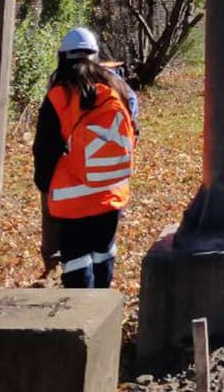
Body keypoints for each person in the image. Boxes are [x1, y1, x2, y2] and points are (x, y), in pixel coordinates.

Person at [33, 28, 136, 288]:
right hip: (111, 190)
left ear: (62, 58)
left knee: (77, 260)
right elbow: (132, 132)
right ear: (96, 56)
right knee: (104, 252)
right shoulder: (116, 88)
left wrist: (45, 185)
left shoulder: (58, 96)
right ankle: (103, 310)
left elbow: (45, 149)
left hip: (73, 197)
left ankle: (81, 318)